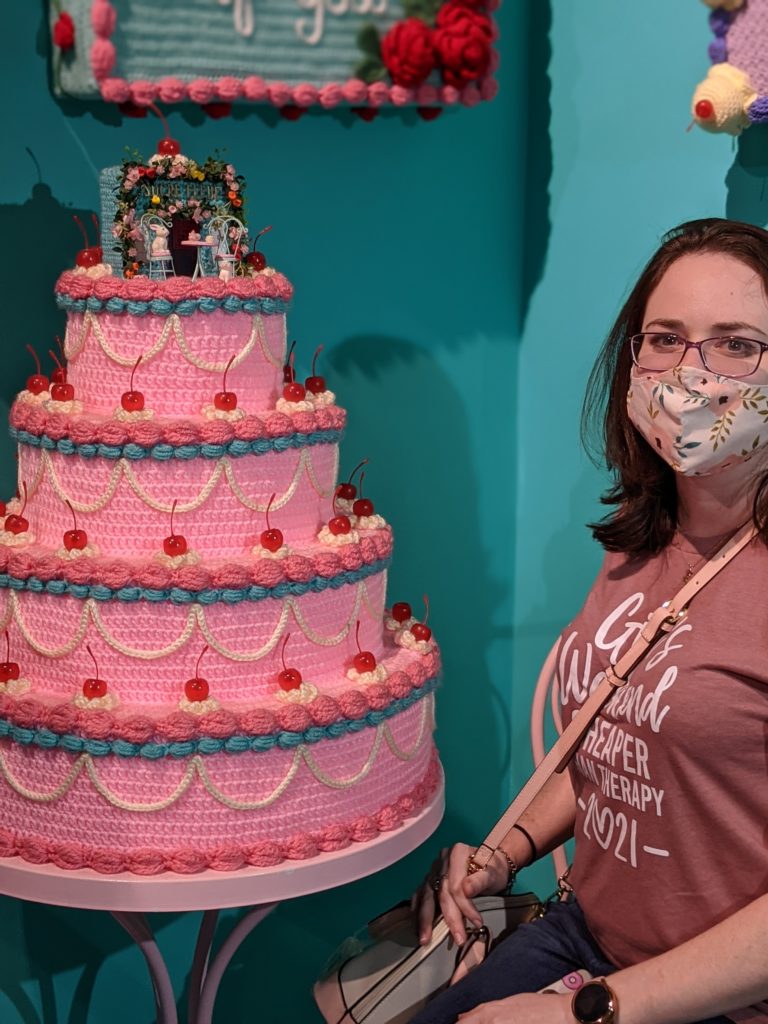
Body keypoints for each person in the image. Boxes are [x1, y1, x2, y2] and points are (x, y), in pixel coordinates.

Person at [409, 219, 768, 1024]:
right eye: (665, 340)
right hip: (587, 934)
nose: (691, 374)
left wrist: (592, 1011)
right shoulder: (639, 544)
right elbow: (617, 747)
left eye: (736, 345)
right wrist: (504, 854)